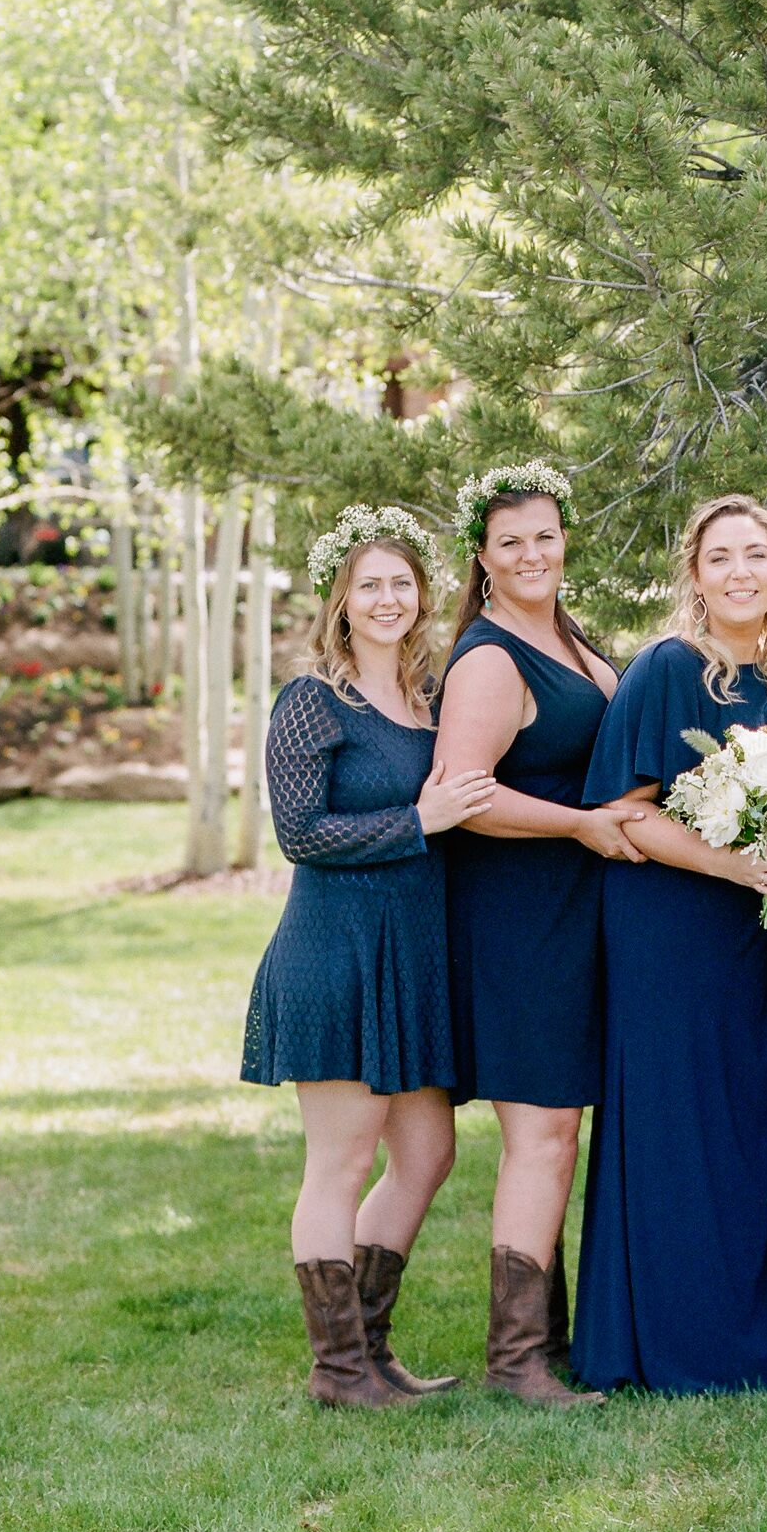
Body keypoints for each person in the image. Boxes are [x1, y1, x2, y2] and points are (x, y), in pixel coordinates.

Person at [243, 506, 493, 1407]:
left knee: (426, 1156)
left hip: (414, 956)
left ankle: (372, 1348)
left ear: (422, 595)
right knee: (340, 1166)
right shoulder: (313, 699)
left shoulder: (430, 700)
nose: (387, 600)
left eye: (401, 583)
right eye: (369, 586)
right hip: (338, 955)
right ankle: (337, 1370)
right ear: (340, 602)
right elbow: (299, 832)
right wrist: (417, 822)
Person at [571, 496, 767, 1393]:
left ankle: (748, 1337)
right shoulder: (669, 669)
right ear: (695, 575)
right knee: (680, 1124)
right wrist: (734, 864)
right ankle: (667, 1343)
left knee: (754, 1122)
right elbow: (622, 814)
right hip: (673, 932)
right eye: (721, 558)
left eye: (757, 555)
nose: (740, 572)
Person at [436, 461, 632, 1408]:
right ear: (483, 555)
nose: (532, 554)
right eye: (510, 542)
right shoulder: (488, 660)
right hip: (518, 916)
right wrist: (580, 825)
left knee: (559, 1128)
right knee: (542, 1130)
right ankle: (516, 1360)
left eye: (545, 536)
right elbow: (464, 799)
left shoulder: (563, 636)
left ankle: (542, 1339)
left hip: (573, 911)